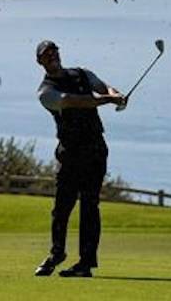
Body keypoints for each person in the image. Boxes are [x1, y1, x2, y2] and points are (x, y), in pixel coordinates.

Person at [34, 40, 126, 278]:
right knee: (61, 208)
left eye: (54, 51)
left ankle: (85, 264)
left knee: (89, 206)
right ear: (40, 61)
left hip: (95, 148)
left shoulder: (82, 73)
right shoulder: (46, 92)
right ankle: (57, 254)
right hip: (71, 152)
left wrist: (114, 93)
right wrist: (108, 100)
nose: (52, 56)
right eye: (46, 55)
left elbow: (102, 86)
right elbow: (77, 101)